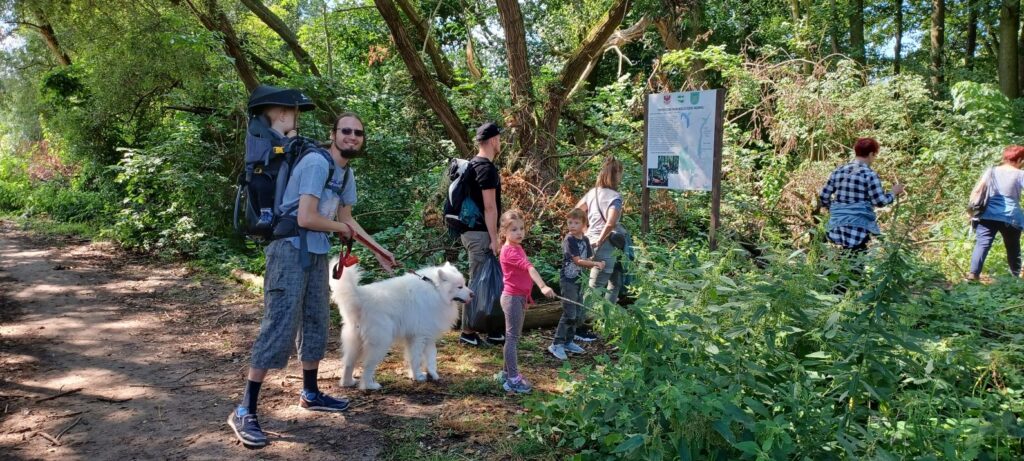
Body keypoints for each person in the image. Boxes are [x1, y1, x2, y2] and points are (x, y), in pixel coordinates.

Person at [227, 107, 397, 449]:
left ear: (362, 141)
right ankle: (245, 409)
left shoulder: (346, 175)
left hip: (316, 252)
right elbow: (306, 217)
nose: (351, 136)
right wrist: (342, 228)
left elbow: (348, 220)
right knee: (280, 324)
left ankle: (310, 392)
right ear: (333, 135)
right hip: (289, 249)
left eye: (357, 133)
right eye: (345, 130)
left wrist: (377, 249)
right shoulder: (317, 163)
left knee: (316, 321)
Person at [495, 210, 556, 393]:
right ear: (504, 231)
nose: (519, 233)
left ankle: (506, 373)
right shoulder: (508, 252)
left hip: (518, 298)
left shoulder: (517, 247)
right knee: (512, 338)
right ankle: (513, 379)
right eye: (514, 229)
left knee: (512, 337)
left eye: (521, 228)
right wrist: (543, 286)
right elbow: (529, 268)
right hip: (512, 299)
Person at [459, 122, 505, 347]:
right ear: (494, 140)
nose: (500, 143)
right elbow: (490, 207)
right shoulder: (485, 168)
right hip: (480, 233)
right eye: (500, 139)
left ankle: (492, 329)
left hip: (473, 232)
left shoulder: (472, 166)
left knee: (485, 280)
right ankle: (468, 331)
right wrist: (494, 238)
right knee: (478, 282)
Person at [817, 137, 905, 254]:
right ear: (871, 154)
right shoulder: (869, 175)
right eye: (875, 155)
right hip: (859, 228)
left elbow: (823, 197)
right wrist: (893, 192)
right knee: (856, 266)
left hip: (836, 227)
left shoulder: (838, 171)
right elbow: (879, 202)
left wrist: (835, 209)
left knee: (835, 265)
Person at [574, 157, 626, 341]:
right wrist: (599, 240)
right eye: (620, 173)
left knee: (615, 280)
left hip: (590, 242)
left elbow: (576, 211)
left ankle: (606, 321)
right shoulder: (615, 198)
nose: (621, 176)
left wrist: (586, 231)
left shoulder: (592, 193)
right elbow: (611, 223)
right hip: (604, 247)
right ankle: (580, 328)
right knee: (594, 288)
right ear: (615, 174)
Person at [548, 208, 604, 360]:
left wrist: (599, 260)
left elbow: (589, 256)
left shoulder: (584, 239)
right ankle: (556, 344)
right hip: (569, 280)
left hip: (581, 280)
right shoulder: (569, 240)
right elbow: (578, 260)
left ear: (584, 224)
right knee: (569, 313)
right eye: (570, 222)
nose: (572, 226)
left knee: (578, 313)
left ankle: (568, 341)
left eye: (576, 223)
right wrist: (595, 264)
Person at [967, 145, 1024, 280]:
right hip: (1011, 217)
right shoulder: (1020, 174)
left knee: (982, 244)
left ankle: (973, 275)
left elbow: (977, 191)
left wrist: (970, 211)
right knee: (1012, 246)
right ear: (1020, 159)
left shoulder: (991, 171)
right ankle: (1015, 276)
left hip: (987, 215)